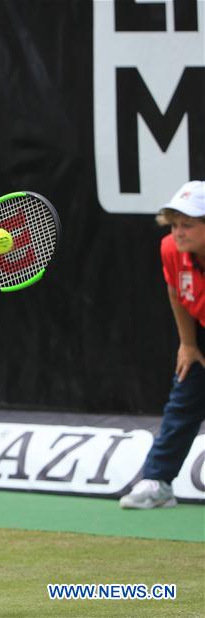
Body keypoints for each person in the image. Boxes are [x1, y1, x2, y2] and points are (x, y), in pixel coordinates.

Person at [120, 180, 205, 509]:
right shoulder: (171, 248)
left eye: (189, 224)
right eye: (174, 224)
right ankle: (158, 482)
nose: (179, 232)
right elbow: (176, 292)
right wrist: (187, 344)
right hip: (199, 328)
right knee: (183, 400)